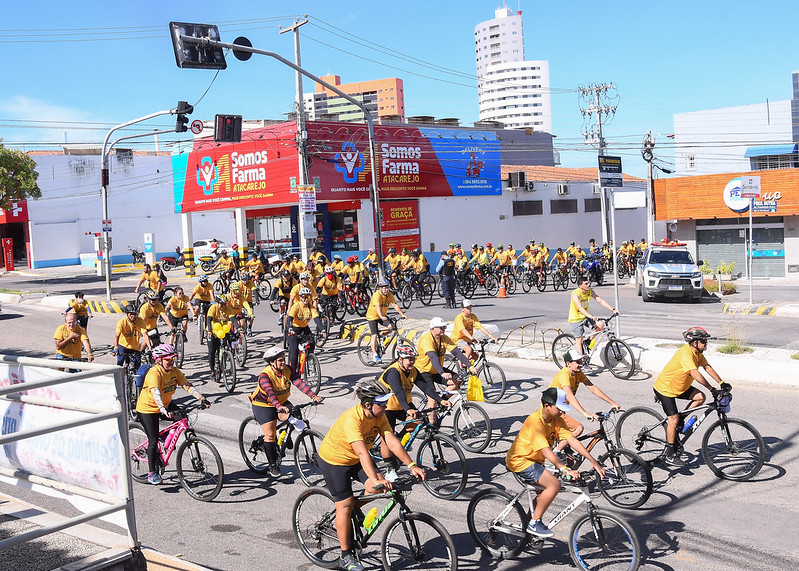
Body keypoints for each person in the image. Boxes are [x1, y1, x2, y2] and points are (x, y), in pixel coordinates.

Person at [317, 379, 426, 571]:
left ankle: (355, 508)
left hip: (355, 460)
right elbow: (362, 453)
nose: (385, 407)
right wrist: (377, 478)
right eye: (382, 404)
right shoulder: (353, 419)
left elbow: (391, 441)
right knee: (345, 505)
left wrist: (411, 465)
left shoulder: (379, 416)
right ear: (368, 404)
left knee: (376, 488)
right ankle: (346, 556)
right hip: (335, 461)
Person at [505, 387, 605, 538]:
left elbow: (572, 440)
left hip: (536, 460)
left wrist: (593, 462)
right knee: (554, 485)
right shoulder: (535, 422)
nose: (563, 412)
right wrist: (565, 469)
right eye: (560, 408)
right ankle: (534, 523)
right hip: (521, 460)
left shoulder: (557, 419)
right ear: (547, 406)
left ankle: (528, 525)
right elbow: (546, 450)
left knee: (543, 493)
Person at [654, 327, 729, 467]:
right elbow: (694, 373)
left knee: (700, 397)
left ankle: (680, 421)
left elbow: (707, 367)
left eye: (706, 341)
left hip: (680, 387)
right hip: (665, 389)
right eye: (704, 341)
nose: (706, 343)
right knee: (673, 418)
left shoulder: (698, 353)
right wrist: (712, 389)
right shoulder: (686, 354)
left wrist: (721, 383)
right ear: (694, 342)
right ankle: (670, 454)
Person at [135, 344, 210, 485]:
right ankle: (152, 473)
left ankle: (165, 438)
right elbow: (155, 394)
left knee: (182, 418)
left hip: (165, 404)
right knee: (153, 440)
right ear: (159, 360)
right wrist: (163, 411)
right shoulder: (154, 373)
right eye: (168, 359)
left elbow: (187, 385)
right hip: (148, 408)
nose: (171, 362)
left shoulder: (174, 371)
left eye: (173, 358)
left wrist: (201, 398)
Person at [249, 347, 323, 476]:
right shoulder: (265, 375)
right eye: (280, 360)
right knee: (270, 435)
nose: (283, 362)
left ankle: (284, 435)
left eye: (284, 359)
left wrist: (313, 396)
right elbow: (271, 393)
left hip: (281, 402)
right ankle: (272, 465)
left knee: (295, 414)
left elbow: (299, 383)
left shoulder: (287, 370)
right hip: (264, 405)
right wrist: (278, 406)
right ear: (272, 362)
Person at [549, 349, 620, 453]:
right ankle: (556, 451)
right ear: (568, 364)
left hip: (561, 411)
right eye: (577, 362)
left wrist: (611, 402)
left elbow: (592, 388)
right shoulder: (564, 375)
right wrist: (585, 413)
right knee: (578, 428)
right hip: (553, 411)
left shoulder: (578, 373)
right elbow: (569, 395)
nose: (581, 364)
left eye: (581, 361)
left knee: (571, 458)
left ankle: (564, 452)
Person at [415, 317, 473, 405]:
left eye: (444, 327)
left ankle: (440, 404)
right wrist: (442, 373)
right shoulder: (427, 339)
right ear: (433, 328)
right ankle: (432, 414)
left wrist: (470, 366)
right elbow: (432, 356)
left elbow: (457, 353)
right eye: (441, 327)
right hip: (423, 372)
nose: (443, 329)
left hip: (436, 370)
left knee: (456, 383)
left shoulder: (444, 338)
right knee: (432, 398)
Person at [568, 276, 618, 355]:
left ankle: (588, 341)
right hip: (575, 319)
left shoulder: (590, 291)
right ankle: (581, 362)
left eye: (588, 283)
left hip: (585, 317)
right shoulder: (575, 294)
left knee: (601, 324)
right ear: (580, 285)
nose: (588, 285)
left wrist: (613, 309)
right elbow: (580, 308)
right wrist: (591, 316)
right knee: (579, 339)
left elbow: (600, 300)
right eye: (586, 284)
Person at [366, 279, 407, 363]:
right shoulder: (376, 295)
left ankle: (383, 335)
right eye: (384, 288)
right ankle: (375, 355)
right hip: (372, 316)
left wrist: (402, 314)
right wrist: (381, 316)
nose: (386, 289)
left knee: (392, 326)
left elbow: (395, 305)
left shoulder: (389, 295)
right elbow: (377, 307)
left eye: (387, 287)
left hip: (382, 316)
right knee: (374, 334)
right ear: (380, 288)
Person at [285, 287, 322, 375]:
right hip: (293, 329)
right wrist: (290, 328)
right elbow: (290, 318)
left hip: (304, 328)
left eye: (308, 297)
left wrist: (323, 330)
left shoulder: (311, 307)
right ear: (300, 297)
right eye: (304, 297)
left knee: (312, 342)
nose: (306, 299)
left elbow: (316, 319)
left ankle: (309, 358)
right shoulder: (296, 306)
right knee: (294, 350)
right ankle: (293, 372)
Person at [113, 303, 150, 371]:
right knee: (119, 364)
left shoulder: (140, 321)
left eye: (135, 314)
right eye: (131, 314)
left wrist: (150, 348)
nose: (133, 316)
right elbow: (117, 336)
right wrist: (115, 347)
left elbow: (145, 335)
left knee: (138, 366)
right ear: (126, 314)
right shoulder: (121, 322)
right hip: (123, 346)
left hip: (135, 347)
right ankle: (120, 379)